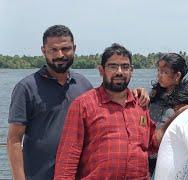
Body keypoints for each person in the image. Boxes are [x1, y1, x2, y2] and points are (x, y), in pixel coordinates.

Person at [6, 25, 148, 180]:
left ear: (74, 48)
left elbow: (109, 102)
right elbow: (14, 140)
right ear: (43, 50)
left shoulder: (82, 84)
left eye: (65, 49)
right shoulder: (26, 88)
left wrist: (136, 93)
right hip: (38, 174)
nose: (60, 54)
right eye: (53, 50)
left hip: (78, 174)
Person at [54, 43, 172, 179]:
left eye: (125, 67)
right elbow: (68, 158)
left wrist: (179, 115)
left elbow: (151, 145)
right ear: (101, 70)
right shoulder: (83, 105)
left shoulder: (140, 104)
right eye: (113, 66)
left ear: (131, 70)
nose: (120, 72)